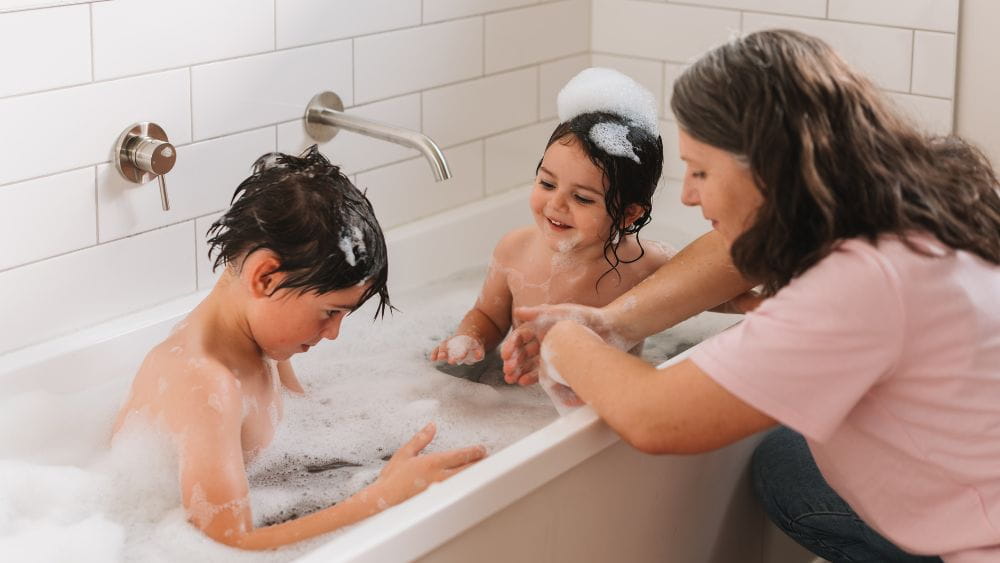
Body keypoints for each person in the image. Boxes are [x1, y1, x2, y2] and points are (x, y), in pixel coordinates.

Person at [502, 30, 1000, 562]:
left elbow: (655, 418)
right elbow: (730, 253)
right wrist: (610, 322)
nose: (688, 195)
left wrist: (567, 340)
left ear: (766, 170)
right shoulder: (916, 192)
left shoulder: (859, 285)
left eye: (700, 171)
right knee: (787, 464)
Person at [112, 147, 485, 550]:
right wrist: (381, 497)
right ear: (266, 277)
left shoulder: (265, 344)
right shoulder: (206, 384)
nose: (333, 334)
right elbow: (227, 544)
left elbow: (306, 422)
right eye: (329, 311)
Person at [430, 68, 678, 382]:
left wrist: (753, 303)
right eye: (547, 183)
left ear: (629, 214)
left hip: (607, 399)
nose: (556, 204)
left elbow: (711, 291)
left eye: (582, 198)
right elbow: (488, 318)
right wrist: (471, 338)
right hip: (525, 399)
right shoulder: (515, 250)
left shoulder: (645, 265)